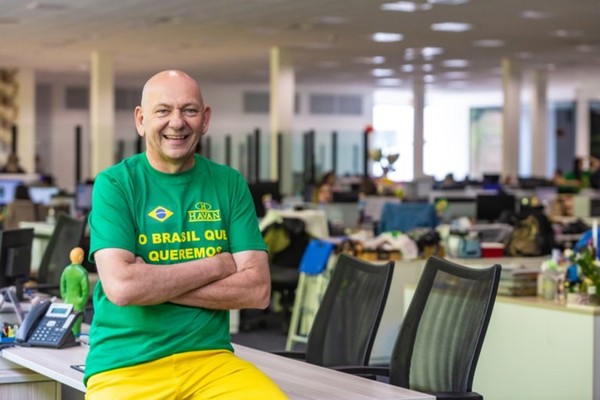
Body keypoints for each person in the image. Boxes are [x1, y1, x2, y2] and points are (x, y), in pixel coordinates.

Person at [83, 70, 287, 399]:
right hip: (126, 365)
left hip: (211, 361)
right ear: (141, 120)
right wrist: (217, 266)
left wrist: (152, 283)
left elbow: (257, 290)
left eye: (189, 110)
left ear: (205, 119)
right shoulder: (116, 184)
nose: (177, 122)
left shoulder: (229, 183)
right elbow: (122, 287)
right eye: (163, 111)